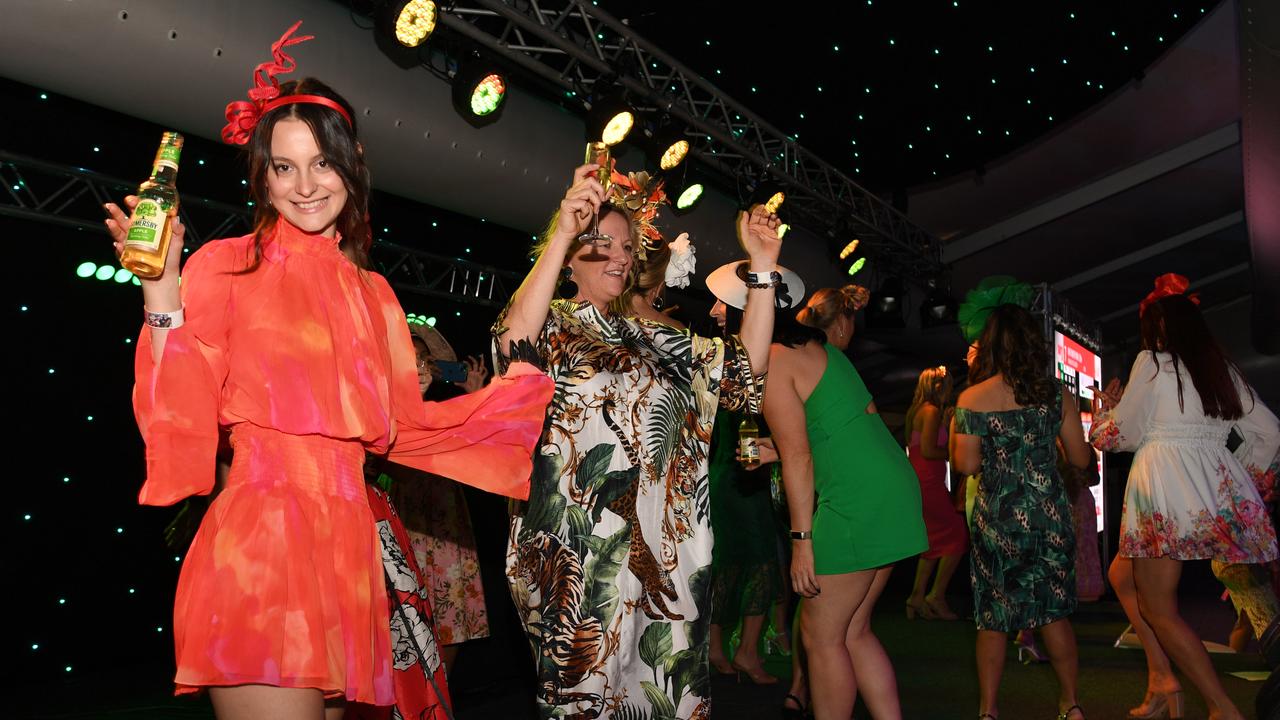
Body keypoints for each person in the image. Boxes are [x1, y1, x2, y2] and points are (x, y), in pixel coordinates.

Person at [107, 23, 551, 720]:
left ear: (354, 165)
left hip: (346, 549)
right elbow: (177, 407)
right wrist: (161, 295)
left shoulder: (374, 295)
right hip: (262, 542)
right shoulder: (227, 265)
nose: (306, 186)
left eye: (321, 164)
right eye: (284, 167)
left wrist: (510, 398)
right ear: (261, 175)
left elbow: (403, 427)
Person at [495, 163, 782, 718]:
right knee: (585, 698)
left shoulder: (655, 337)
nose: (619, 255)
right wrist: (561, 231)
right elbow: (513, 351)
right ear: (569, 252)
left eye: (627, 245)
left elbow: (746, 380)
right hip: (579, 557)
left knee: (654, 699)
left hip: (663, 557)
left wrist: (764, 270)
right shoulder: (550, 322)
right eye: (599, 241)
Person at [1091, 274, 1279, 720]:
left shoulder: (1150, 363)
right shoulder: (1221, 368)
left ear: (1158, 329)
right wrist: (1239, 479)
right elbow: (1269, 434)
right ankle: (1162, 679)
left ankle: (1221, 708)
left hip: (1161, 493)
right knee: (1122, 575)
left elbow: (1122, 434)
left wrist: (1104, 415)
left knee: (1159, 609)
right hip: (1209, 491)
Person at [765, 284, 927, 720]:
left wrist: (802, 541)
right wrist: (775, 448)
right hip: (890, 487)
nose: (718, 312)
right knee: (853, 630)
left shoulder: (775, 361)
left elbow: (800, 455)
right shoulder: (819, 350)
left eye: (728, 305)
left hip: (858, 498)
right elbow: (836, 432)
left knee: (820, 635)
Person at [951, 277, 1093, 720]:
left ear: (989, 344)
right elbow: (1082, 458)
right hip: (1049, 516)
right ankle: (1070, 704)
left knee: (993, 620)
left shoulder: (972, 398)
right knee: (1053, 615)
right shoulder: (1056, 393)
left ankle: (989, 710)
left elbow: (967, 467)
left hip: (999, 520)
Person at [702, 264, 806, 688]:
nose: (712, 311)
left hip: (752, 479)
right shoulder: (726, 355)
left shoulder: (764, 354)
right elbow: (738, 425)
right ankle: (715, 647)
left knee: (762, 563)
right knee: (729, 563)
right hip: (730, 478)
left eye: (720, 306)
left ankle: (745, 650)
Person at [384, 324, 493, 673]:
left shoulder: (444, 415)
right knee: (396, 629)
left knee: (451, 625)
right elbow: (395, 467)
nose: (419, 366)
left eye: (425, 359)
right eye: (410, 358)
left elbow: (480, 459)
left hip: (446, 524)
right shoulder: (381, 409)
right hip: (401, 523)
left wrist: (473, 396)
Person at [904, 365, 968, 621]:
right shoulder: (930, 412)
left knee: (932, 541)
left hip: (921, 480)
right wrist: (957, 454)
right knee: (957, 536)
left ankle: (917, 597)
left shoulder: (918, 411)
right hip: (928, 481)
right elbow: (930, 451)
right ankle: (936, 595)